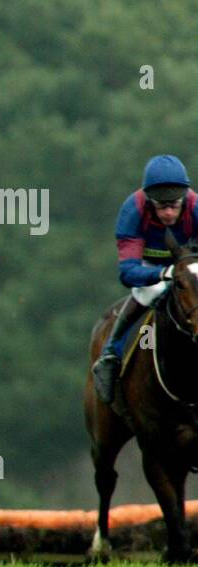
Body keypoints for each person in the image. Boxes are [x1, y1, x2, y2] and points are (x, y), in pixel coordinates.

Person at [92, 154, 198, 403]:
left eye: (174, 204)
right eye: (162, 206)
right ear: (150, 202)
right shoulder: (134, 210)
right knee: (150, 293)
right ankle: (112, 353)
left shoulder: (195, 207)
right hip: (150, 269)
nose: (169, 212)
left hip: (188, 263)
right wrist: (163, 273)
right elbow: (128, 272)